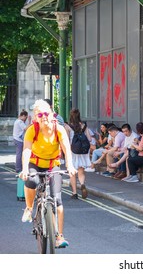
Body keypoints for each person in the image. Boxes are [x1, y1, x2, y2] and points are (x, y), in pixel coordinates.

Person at [19, 99, 77, 248]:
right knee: (32, 181)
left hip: (53, 165)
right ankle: (29, 208)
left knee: (57, 200)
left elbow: (66, 150)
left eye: (46, 113)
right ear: (35, 118)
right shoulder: (32, 130)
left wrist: (70, 166)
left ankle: (59, 236)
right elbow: (26, 150)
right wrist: (25, 168)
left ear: (52, 114)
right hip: (35, 163)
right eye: (40, 114)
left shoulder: (59, 129)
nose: (43, 116)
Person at [65, 108, 92, 199]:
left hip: (73, 151)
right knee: (81, 172)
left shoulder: (68, 126)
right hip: (83, 152)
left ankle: (74, 193)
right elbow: (90, 139)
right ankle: (82, 184)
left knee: (72, 173)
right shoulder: (84, 125)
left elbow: (67, 141)